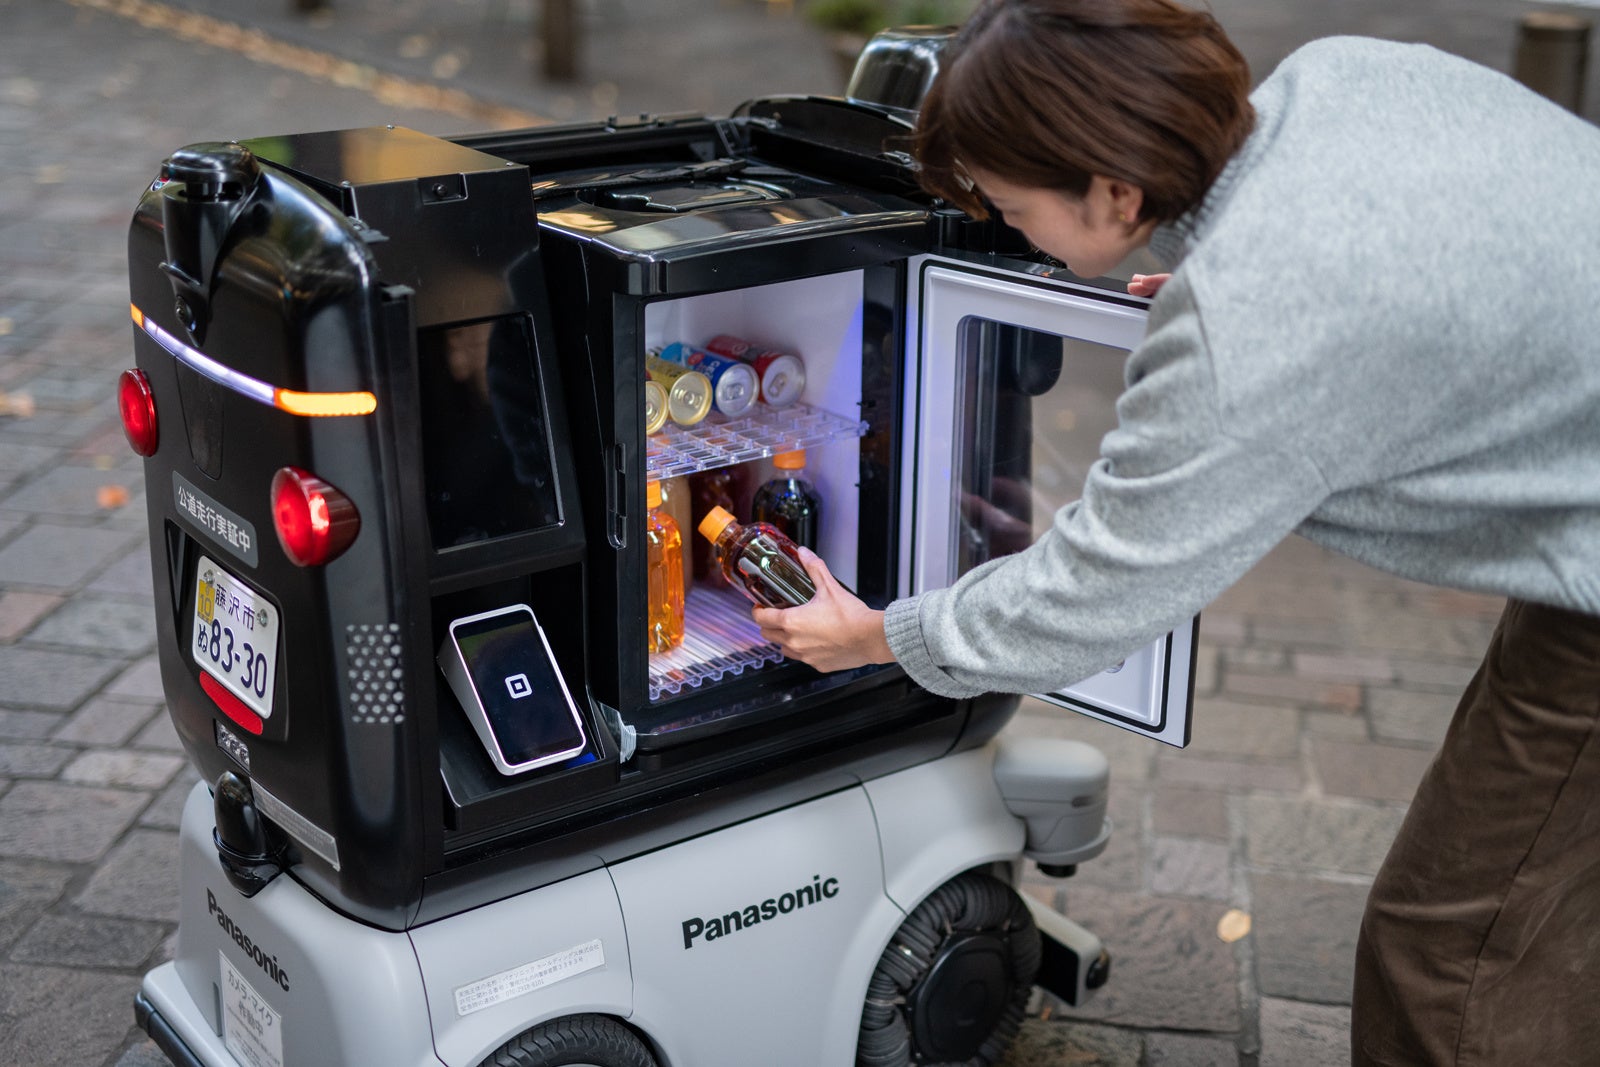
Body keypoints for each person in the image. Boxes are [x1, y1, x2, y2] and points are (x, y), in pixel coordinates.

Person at [750, 1, 1600, 1063]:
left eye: (1012, 205)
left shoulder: (1255, 319)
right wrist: (1223, 288)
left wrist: (876, 634)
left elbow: (1093, 592)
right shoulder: (1344, 76)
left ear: (1112, 189)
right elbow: (1434, 265)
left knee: (1452, 950)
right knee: (1546, 898)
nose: (1008, 229)